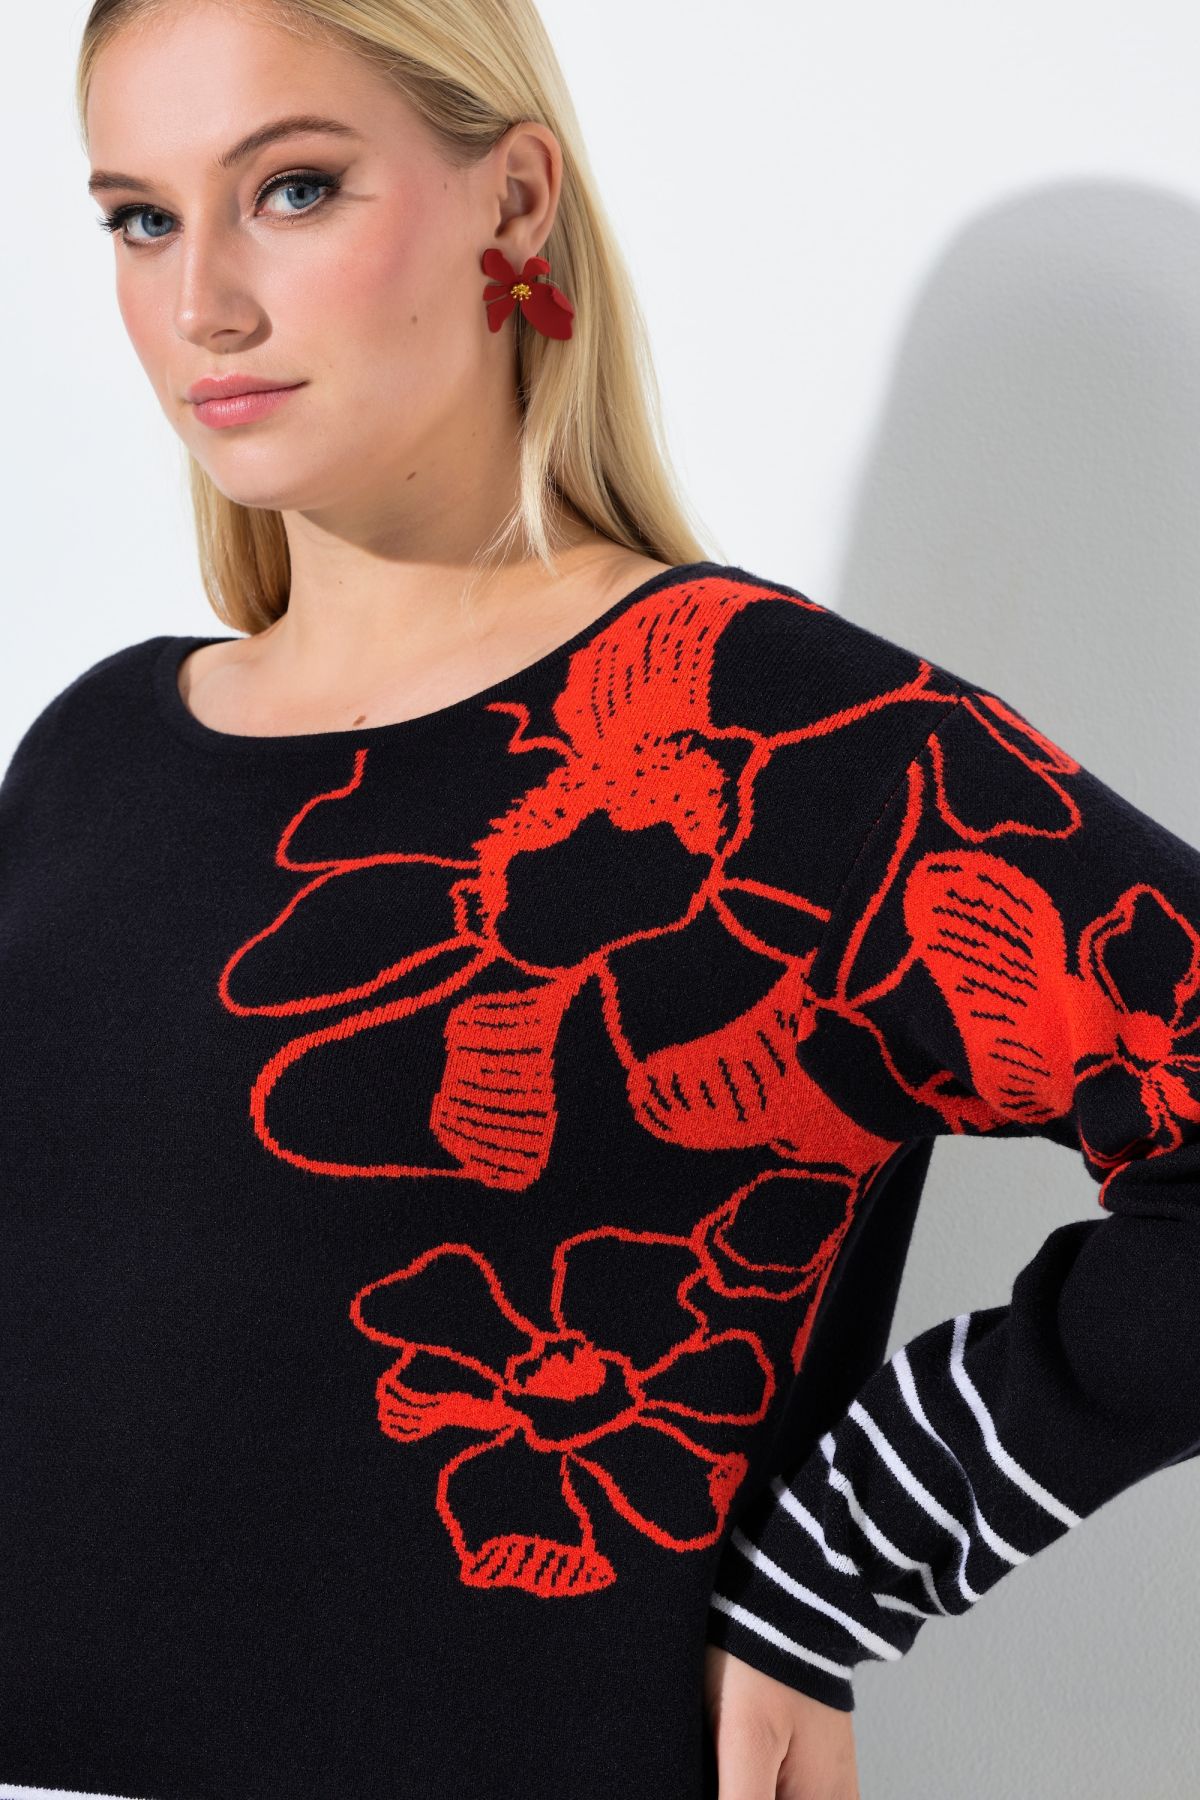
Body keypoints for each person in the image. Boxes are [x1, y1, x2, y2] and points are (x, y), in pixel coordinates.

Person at [1, 1, 1197, 1797]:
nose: (203, 305)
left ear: (515, 200)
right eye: (142, 218)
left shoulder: (787, 735)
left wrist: (843, 1559)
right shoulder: (95, 744)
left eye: (294, 189)